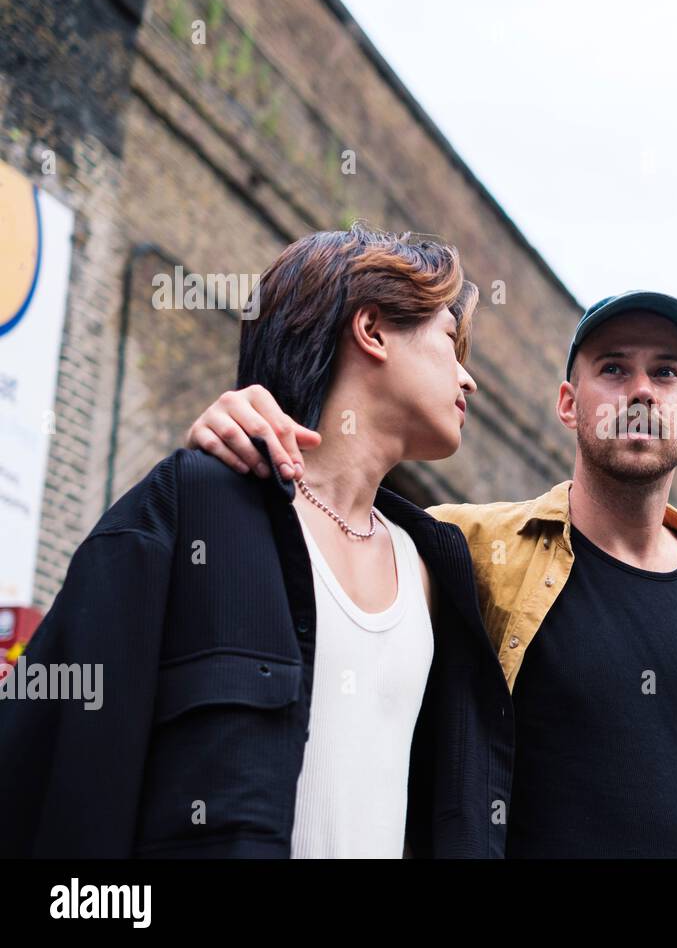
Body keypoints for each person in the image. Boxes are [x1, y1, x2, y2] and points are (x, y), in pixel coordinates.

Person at [185, 290, 677, 858]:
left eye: (665, 371)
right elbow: (332, 520)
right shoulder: (466, 546)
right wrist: (240, 426)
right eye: (613, 369)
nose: (640, 391)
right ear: (569, 404)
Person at [0, 224, 513, 858]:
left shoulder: (437, 566)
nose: (469, 381)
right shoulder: (195, 509)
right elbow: (52, 762)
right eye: (448, 344)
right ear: (373, 330)